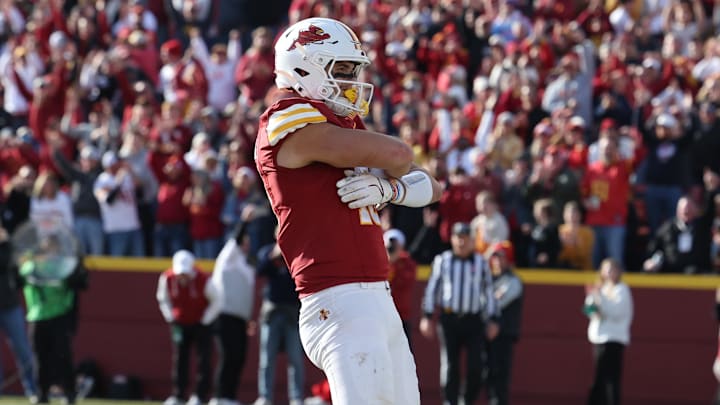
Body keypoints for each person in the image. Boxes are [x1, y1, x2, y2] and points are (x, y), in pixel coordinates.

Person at [254, 17, 442, 405]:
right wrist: (394, 178)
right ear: (304, 66)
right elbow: (399, 154)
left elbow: (432, 187)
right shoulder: (286, 115)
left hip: (376, 296)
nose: (352, 80)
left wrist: (390, 189)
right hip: (338, 298)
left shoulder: (344, 123)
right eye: (342, 69)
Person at [420, 222, 500, 405]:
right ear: (452, 240)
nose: (462, 243)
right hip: (449, 319)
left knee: (476, 367)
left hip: (473, 320)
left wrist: (493, 318)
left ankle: (467, 400)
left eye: (465, 239)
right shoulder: (443, 260)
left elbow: (488, 292)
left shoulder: (481, 262)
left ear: (472, 241)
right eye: (458, 238)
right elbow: (433, 289)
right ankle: (450, 401)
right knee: (450, 364)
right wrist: (427, 316)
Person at [19, 232, 86, 405]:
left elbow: (79, 282)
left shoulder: (63, 265)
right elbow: (21, 275)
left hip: (59, 315)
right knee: (40, 358)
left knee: (63, 357)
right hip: (37, 316)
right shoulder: (32, 265)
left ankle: (69, 393)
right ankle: (42, 394)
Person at [157, 250, 222, 405]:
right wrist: (171, 317)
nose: (183, 277)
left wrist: (205, 320)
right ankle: (178, 395)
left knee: (203, 360)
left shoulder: (203, 279)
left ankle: (199, 395)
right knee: (180, 359)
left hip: (201, 324)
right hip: (180, 324)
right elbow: (163, 299)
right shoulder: (167, 278)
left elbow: (217, 301)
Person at [254, 230, 305, 405]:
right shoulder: (267, 251)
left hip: (292, 311)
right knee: (267, 357)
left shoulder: (297, 250)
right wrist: (274, 254)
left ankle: (296, 397)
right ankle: (265, 396)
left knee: (295, 357)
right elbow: (260, 271)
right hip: (272, 312)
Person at [208, 224, 256, 405]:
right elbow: (235, 240)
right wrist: (244, 221)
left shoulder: (246, 264)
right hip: (224, 315)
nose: (246, 245)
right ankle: (220, 396)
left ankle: (230, 397)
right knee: (227, 356)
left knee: (239, 357)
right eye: (244, 242)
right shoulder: (227, 258)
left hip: (240, 319)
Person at [584, 258, 634, 405]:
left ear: (618, 271)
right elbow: (590, 310)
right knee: (599, 378)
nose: (607, 272)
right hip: (598, 338)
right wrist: (593, 298)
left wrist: (600, 298)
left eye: (611, 269)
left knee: (610, 379)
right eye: (605, 269)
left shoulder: (622, 290)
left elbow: (616, 312)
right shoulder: (602, 288)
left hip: (613, 339)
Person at [0, 222, 37, 401]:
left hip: (9, 304)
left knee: (22, 348)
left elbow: (8, 263)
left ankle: (32, 388)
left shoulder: (9, 246)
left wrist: (6, 243)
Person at [486, 241, 523, 405]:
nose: (497, 261)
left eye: (501, 257)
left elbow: (495, 302)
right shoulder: (488, 279)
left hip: (504, 334)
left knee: (500, 376)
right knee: (486, 374)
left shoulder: (513, 281)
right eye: (495, 257)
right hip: (486, 334)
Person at [383, 228, 418, 343]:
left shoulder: (407, 263)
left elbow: (405, 281)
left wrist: (394, 263)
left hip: (401, 315)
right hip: (383, 316)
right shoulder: (380, 262)